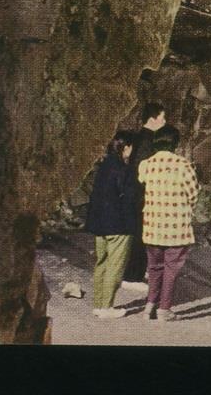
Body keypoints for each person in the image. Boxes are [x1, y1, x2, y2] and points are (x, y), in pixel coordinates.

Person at [137, 125, 198, 321]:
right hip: (176, 227)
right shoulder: (184, 165)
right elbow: (193, 194)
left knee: (154, 267)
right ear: (175, 143)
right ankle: (164, 309)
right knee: (171, 268)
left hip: (152, 225)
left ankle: (149, 306)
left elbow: (142, 182)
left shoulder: (146, 164)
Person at [85, 130, 140, 318]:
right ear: (126, 147)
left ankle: (98, 304)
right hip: (119, 225)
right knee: (115, 267)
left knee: (101, 263)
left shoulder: (104, 166)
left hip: (100, 224)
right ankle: (107, 308)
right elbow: (130, 200)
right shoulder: (125, 170)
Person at [121, 102, 167, 290]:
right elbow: (143, 170)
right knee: (141, 235)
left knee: (138, 234)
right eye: (163, 118)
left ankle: (136, 271)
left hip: (135, 193)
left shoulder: (140, 137)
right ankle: (132, 276)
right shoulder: (148, 141)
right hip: (141, 195)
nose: (164, 122)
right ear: (153, 119)